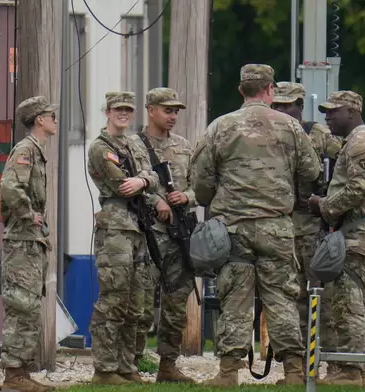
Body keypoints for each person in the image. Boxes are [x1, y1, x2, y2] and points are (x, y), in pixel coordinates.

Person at [192, 64, 321, 386]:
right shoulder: (290, 127)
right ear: (271, 89)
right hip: (276, 226)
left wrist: (214, 198)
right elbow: (311, 171)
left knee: (235, 299)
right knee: (281, 298)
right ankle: (293, 372)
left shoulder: (220, 127)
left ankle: (227, 373)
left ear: (241, 90)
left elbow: (201, 181)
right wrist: (293, 194)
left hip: (232, 228)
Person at [307, 90, 365, 387]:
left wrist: (323, 205)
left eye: (333, 111)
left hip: (359, 234)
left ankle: (351, 371)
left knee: (349, 301)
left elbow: (358, 189)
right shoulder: (353, 141)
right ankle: (348, 368)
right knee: (341, 299)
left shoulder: (361, 142)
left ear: (352, 112)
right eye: (326, 112)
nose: (327, 117)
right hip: (352, 232)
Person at [86, 91, 160, 385]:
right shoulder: (99, 148)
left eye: (128, 109)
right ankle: (105, 369)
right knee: (114, 299)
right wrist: (142, 181)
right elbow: (120, 185)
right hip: (115, 229)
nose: (124, 114)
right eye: (118, 109)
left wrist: (143, 179)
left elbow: (150, 176)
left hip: (138, 227)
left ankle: (127, 365)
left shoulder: (135, 143)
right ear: (107, 111)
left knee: (136, 301)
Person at [271, 81, 342, 378]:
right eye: (279, 106)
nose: (285, 111)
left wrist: (328, 204)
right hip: (282, 225)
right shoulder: (268, 135)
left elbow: (341, 166)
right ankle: (296, 366)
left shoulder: (319, 134)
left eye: (290, 106)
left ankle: (333, 363)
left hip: (313, 225)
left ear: (301, 106)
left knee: (321, 297)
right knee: (290, 299)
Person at [130, 87, 196, 383]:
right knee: (141, 303)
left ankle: (168, 365)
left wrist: (188, 196)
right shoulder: (134, 144)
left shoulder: (183, 146)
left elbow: (201, 184)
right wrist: (154, 200)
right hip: (147, 234)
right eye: (167, 110)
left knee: (177, 303)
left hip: (178, 236)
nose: (172, 116)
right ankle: (131, 363)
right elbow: (124, 184)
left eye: (175, 112)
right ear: (151, 110)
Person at [0, 96, 59, 392]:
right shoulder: (26, 150)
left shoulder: (35, 150)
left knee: (30, 305)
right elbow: (9, 186)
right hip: (22, 239)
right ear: (39, 120)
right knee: (22, 305)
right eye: (52, 116)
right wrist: (28, 213)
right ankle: (14, 374)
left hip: (30, 240)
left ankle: (20, 371)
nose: (55, 121)